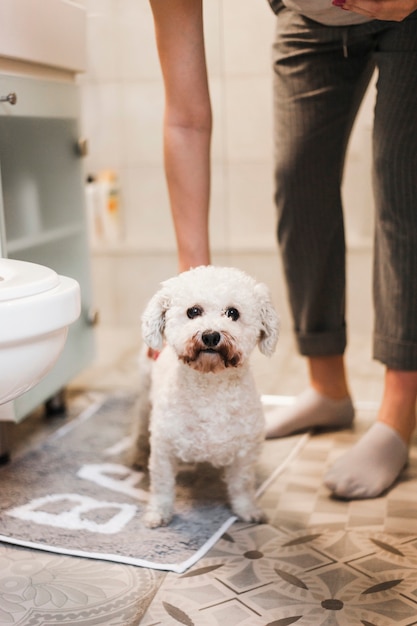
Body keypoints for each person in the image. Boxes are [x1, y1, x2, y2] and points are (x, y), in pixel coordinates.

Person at [148, 0, 417, 500]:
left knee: (404, 190)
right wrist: (192, 289)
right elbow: (185, 119)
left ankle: (397, 417)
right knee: (300, 186)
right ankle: (328, 390)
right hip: (309, 20)